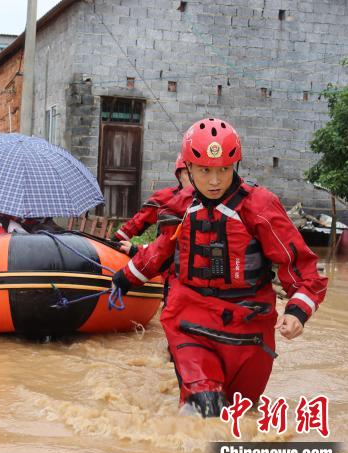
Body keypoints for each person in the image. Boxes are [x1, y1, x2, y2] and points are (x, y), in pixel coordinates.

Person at [112, 118, 328, 417]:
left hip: (249, 326)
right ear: (188, 169)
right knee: (205, 409)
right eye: (204, 171)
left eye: (224, 170)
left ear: (235, 165)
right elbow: (160, 251)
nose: (215, 181)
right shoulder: (179, 207)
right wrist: (123, 278)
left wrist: (297, 311)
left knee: (241, 413)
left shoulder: (261, 207)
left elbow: (299, 264)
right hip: (191, 320)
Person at [112, 152, 191, 255]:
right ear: (179, 176)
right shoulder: (166, 197)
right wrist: (115, 240)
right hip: (165, 262)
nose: (193, 179)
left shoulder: (213, 204)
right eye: (187, 173)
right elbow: (139, 221)